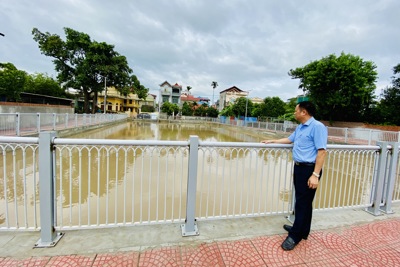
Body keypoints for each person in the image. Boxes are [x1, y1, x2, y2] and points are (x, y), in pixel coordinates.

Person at [261, 101, 327, 251]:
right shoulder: (300, 127)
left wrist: (315, 175)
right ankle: (303, 231)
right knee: (304, 202)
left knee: (302, 203)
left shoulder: (317, 127)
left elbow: (322, 151)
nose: (294, 113)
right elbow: (290, 140)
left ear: (304, 112)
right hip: (299, 168)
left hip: (310, 170)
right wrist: (273, 141)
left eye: (296, 110)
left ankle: (295, 236)